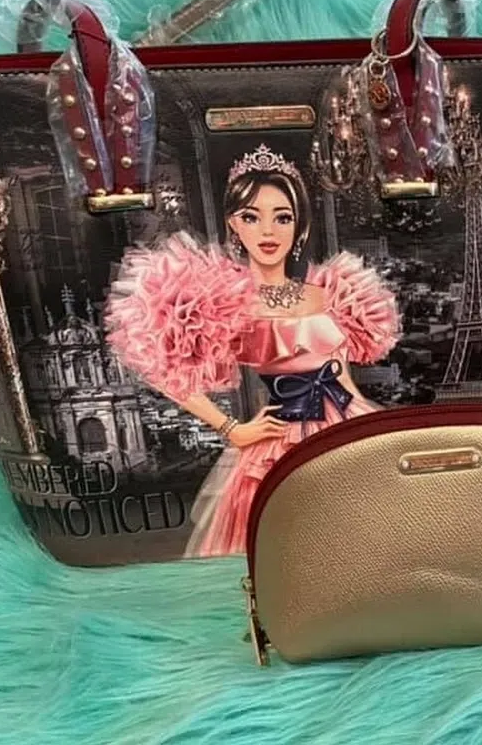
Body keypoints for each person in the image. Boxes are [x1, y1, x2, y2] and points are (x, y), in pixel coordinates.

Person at [105, 144, 401, 558]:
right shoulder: (224, 302)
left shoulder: (331, 291)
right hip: (279, 439)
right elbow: (161, 369)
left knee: (366, 546)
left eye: (282, 217)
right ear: (233, 224)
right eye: (251, 217)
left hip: (348, 429)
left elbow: (343, 379)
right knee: (288, 551)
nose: (268, 231)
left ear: (299, 226)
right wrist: (232, 429)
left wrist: (371, 422)